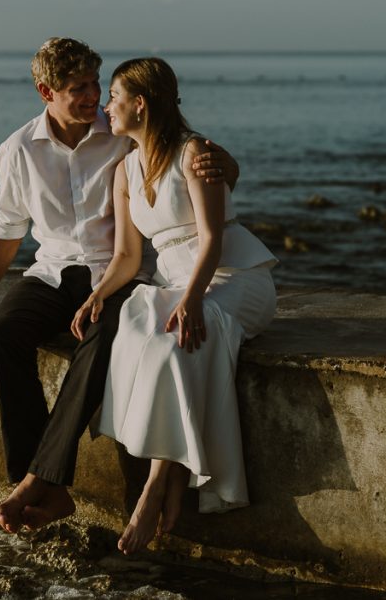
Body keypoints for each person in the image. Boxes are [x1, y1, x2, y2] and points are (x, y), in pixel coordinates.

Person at [0, 38, 239, 534]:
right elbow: (7, 229)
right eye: (78, 88)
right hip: (51, 272)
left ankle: (33, 484)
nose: (93, 96)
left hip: (117, 274)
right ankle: (50, 488)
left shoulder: (119, 131)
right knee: (0, 338)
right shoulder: (18, 150)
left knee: (100, 342)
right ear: (47, 91)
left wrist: (225, 165)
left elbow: (187, 155)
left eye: (96, 84)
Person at [69, 57, 276, 554]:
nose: (106, 108)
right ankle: (175, 475)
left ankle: (156, 485)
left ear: (140, 103)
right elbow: (126, 256)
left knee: (177, 346)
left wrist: (193, 300)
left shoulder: (194, 153)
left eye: (114, 98)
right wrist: (95, 295)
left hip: (231, 276)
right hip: (173, 278)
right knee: (135, 335)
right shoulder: (124, 170)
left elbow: (209, 239)